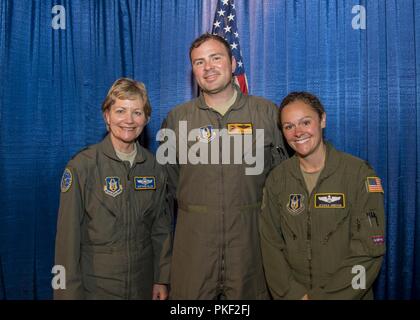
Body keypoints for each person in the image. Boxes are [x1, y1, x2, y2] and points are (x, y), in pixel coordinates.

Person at [161, 33, 288, 299]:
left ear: (232, 63)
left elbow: (282, 183)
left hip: (251, 254)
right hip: (194, 256)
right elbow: (168, 188)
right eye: (199, 62)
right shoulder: (176, 119)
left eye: (215, 58)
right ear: (193, 70)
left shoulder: (266, 114)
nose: (208, 67)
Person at [259, 92, 385, 299]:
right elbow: (270, 244)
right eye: (289, 126)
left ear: (322, 120)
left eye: (305, 122)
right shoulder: (277, 179)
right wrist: (293, 294)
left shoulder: (358, 174)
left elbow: (369, 248)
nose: (298, 132)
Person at [54, 78, 172, 299]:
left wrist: (161, 278)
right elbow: (66, 243)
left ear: (146, 118)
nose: (129, 120)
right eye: (120, 111)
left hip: (142, 286)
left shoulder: (154, 167)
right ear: (107, 116)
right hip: (96, 289)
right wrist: (66, 294)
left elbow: (161, 228)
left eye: (137, 112)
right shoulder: (82, 167)